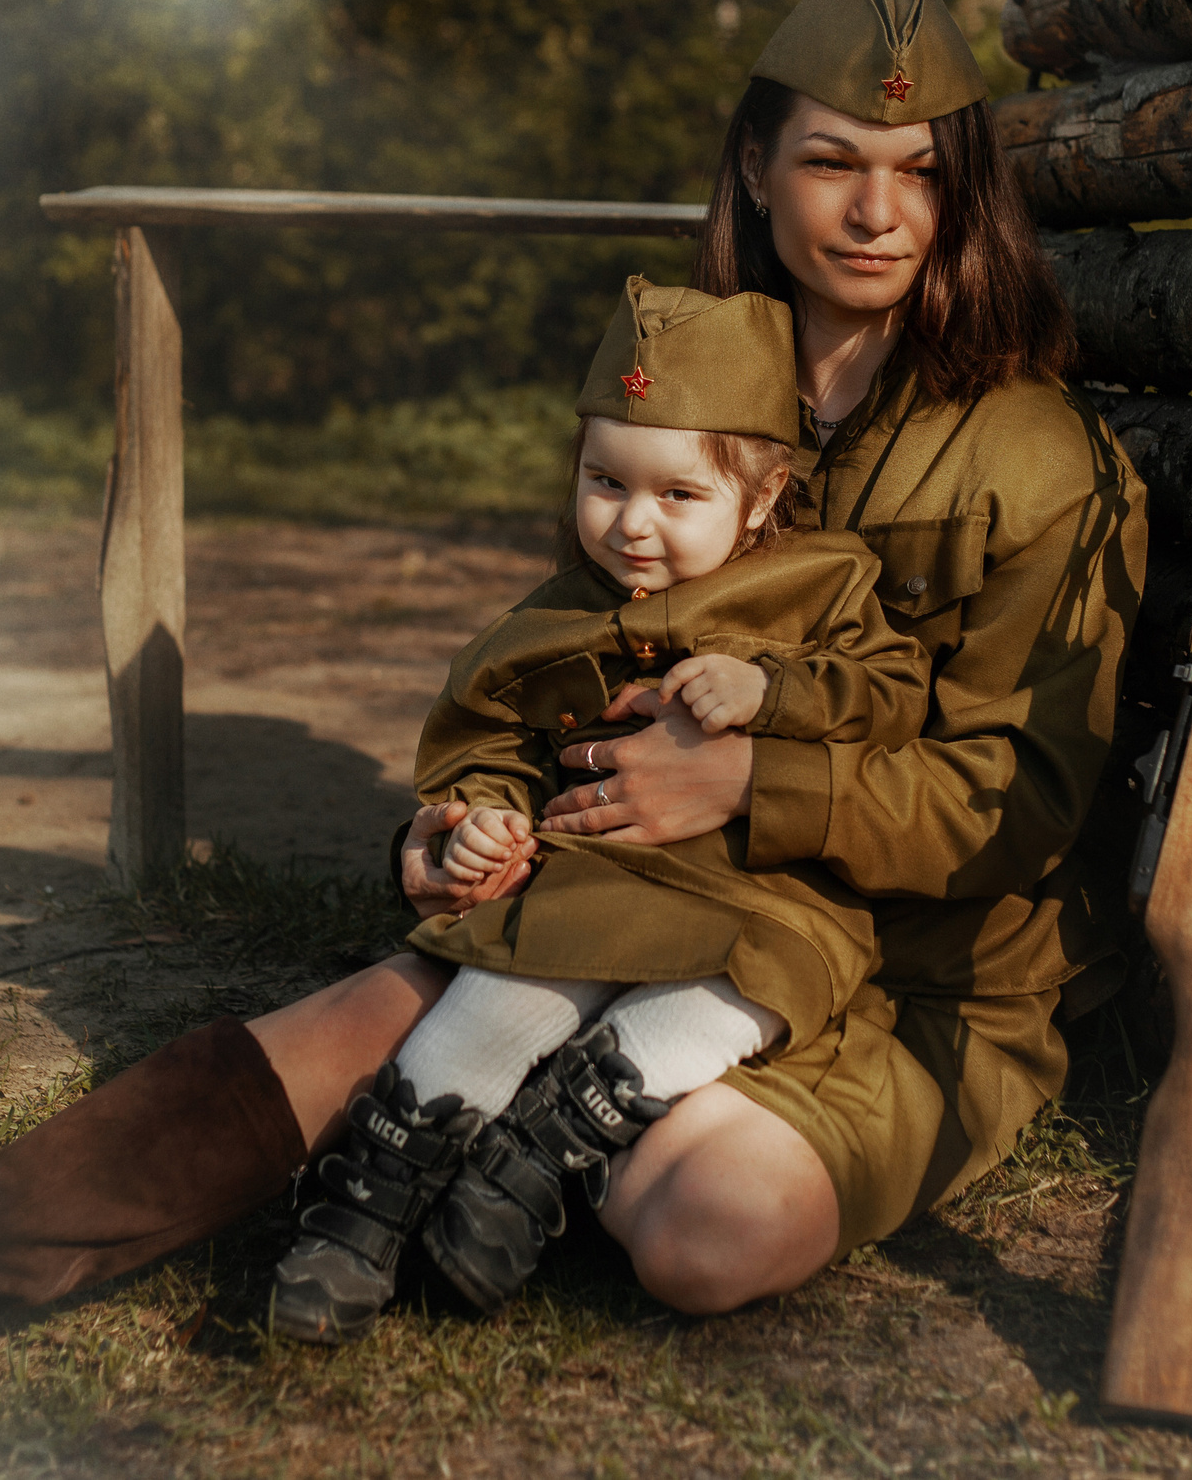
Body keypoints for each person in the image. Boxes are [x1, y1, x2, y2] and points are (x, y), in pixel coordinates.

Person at [0, 0, 1147, 1480]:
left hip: (901, 958)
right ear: (757, 166)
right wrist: (455, 824)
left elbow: (1022, 799)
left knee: (702, 1227)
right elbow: (553, 666)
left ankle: (496, 1136)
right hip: (628, 886)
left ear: (966, 192)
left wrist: (753, 782)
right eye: (833, 159)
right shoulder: (685, 371)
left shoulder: (1037, 456)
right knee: (349, 1029)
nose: (878, 211)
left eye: (916, 172)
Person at [269, 275, 933, 1343]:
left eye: (679, 496)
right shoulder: (547, 619)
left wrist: (777, 689)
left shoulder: (821, 587)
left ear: (761, 502)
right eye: (604, 483)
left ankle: (547, 1141)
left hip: (764, 895)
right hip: (601, 873)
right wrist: (481, 810)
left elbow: (896, 696)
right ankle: (369, 1197)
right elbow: (482, 733)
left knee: (740, 1000)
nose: (631, 525)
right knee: (500, 992)